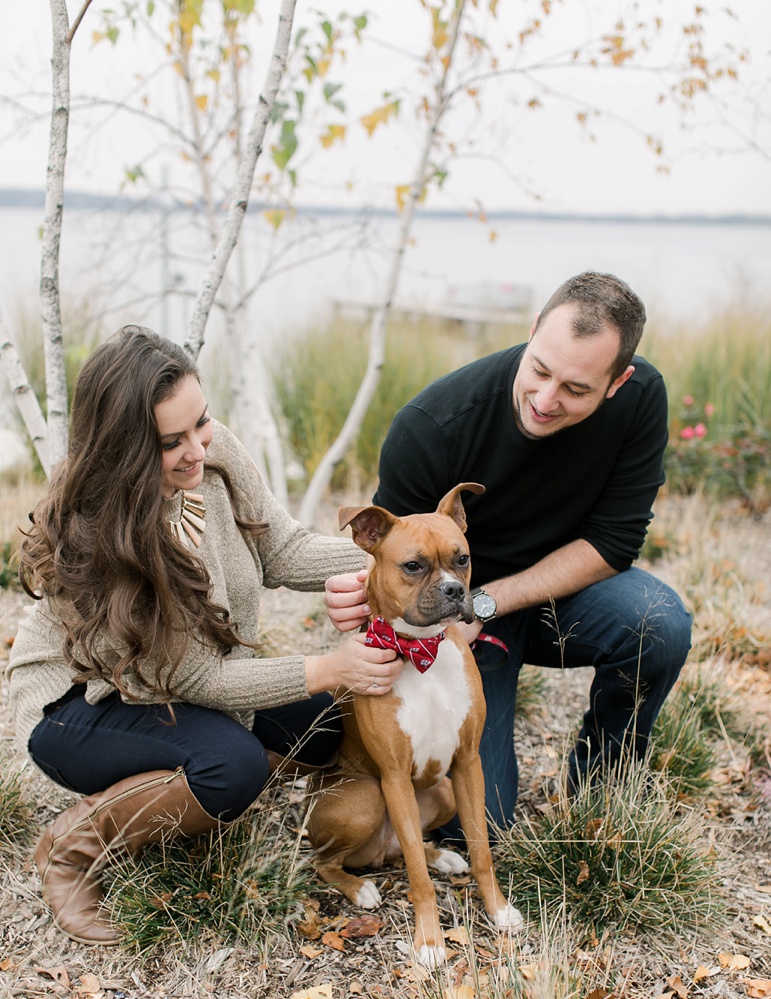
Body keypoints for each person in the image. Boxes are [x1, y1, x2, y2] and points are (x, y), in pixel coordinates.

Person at [8, 325, 403, 946]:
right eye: (172, 441)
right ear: (126, 450)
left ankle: (193, 808)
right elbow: (202, 679)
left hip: (177, 686)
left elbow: (283, 549)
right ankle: (72, 849)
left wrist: (403, 562)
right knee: (231, 764)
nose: (199, 448)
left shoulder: (212, 453)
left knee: (328, 723)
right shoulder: (102, 532)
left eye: (203, 422)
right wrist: (330, 665)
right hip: (78, 705)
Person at [325, 271, 692, 840]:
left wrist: (486, 603)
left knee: (659, 624)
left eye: (576, 389)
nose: (545, 401)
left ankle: (603, 791)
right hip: (452, 629)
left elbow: (615, 542)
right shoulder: (432, 427)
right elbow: (386, 561)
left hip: (551, 601)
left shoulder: (642, 399)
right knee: (476, 824)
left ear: (618, 381)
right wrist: (358, 603)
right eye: (540, 369)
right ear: (531, 333)